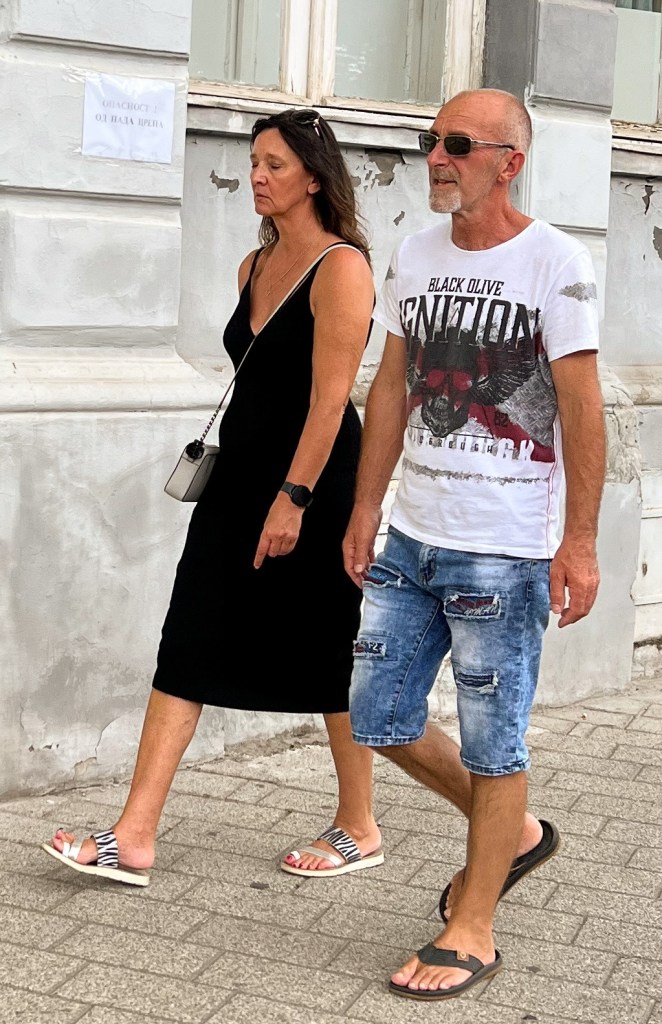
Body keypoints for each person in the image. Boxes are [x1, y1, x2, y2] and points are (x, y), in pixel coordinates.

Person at [42, 107, 381, 885]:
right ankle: (133, 835)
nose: (256, 176)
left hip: (312, 483)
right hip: (238, 480)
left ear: (313, 178)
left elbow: (331, 402)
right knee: (188, 637)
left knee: (328, 647)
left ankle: (360, 822)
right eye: (254, 162)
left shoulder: (342, 268)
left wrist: (294, 497)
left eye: (273, 164)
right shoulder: (254, 266)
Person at [342, 87, 606, 1000]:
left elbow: (580, 409)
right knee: (378, 714)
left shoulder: (555, 260)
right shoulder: (415, 254)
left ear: (509, 162)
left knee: (496, 743)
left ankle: (474, 928)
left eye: (458, 144)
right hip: (412, 532)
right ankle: (516, 834)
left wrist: (579, 543)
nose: (437, 157)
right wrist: (364, 505)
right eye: (432, 140)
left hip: (505, 545)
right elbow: (390, 387)